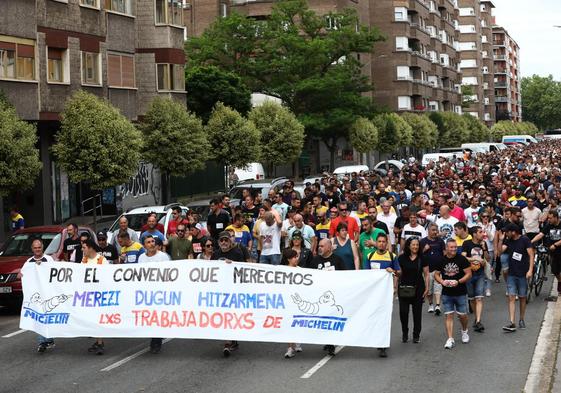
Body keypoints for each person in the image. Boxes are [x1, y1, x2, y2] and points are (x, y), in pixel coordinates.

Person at [308, 239, 347, 356]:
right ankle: (327, 341)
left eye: (322, 246)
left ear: (329, 247)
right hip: (320, 297)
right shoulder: (315, 261)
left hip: (333, 296)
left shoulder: (338, 260)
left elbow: (345, 276)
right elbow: (309, 276)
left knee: (331, 319)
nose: (319, 248)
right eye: (319, 246)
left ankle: (331, 345)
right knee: (323, 320)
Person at [212, 231, 247, 357]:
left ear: (230, 241)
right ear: (219, 242)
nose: (224, 242)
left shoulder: (237, 253)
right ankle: (227, 342)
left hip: (233, 289)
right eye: (222, 240)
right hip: (220, 290)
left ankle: (233, 340)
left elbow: (243, 270)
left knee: (232, 315)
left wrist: (232, 265)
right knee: (223, 315)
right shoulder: (215, 254)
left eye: (226, 240)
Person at [366, 233, 400, 357]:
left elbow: (399, 273)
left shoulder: (392, 256)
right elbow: (366, 275)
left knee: (384, 318)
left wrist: (394, 272)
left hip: (387, 293)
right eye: (379, 241)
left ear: (386, 243)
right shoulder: (370, 256)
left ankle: (383, 345)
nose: (381, 243)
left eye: (383, 241)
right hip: (373, 294)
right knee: (375, 317)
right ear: (376, 242)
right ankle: (377, 339)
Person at [434, 239, 472, 349]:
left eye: (455, 247)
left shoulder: (462, 259)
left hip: (460, 292)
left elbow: (469, 274)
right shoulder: (441, 260)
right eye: (451, 247)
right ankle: (450, 338)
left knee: (462, 316)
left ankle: (464, 331)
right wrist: (442, 282)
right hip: (447, 293)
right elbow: (436, 274)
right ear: (446, 248)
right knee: (449, 315)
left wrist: (458, 281)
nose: (454, 249)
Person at [138, 235, 171, 353]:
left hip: (160, 292)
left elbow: (168, 273)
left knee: (157, 315)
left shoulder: (163, 257)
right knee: (150, 317)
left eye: (153, 241)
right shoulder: (141, 257)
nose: (151, 243)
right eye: (148, 242)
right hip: (146, 293)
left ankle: (156, 341)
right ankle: (156, 336)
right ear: (144, 245)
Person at [500, 223, 534, 332]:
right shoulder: (508, 240)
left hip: (523, 274)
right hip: (511, 273)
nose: (506, 233)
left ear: (513, 232)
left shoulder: (524, 240)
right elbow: (500, 251)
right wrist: (501, 240)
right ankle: (512, 322)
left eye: (507, 232)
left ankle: (521, 319)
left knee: (523, 297)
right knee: (511, 297)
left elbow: (531, 255)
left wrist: (530, 270)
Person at [26, 239, 56, 353]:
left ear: (42, 248)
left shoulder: (48, 259)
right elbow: (21, 274)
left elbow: (55, 273)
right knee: (38, 318)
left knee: (47, 317)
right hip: (36, 296)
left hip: (48, 294)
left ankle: (49, 339)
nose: (37, 250)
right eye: (35, 248)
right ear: (32, 249)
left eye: (39, 247)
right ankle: (42, 342)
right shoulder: (29, 262)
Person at [398, 237, 429, 344]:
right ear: (408, 246)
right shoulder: (401, 258)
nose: (415, 247)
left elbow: (426, 274)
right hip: (404, 289)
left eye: (417, 245)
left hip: (418, 288)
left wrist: (427, 288)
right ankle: (405, 333)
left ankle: (416, 335)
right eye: (413, 244)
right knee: (403, 312)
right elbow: (399, 273)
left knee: (417, 314)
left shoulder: (422, 258)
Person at [81, 238, 108, 355]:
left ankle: (100, 342)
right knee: (92, 319)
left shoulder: (102, 260)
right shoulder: (84, 260)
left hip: (99, 295)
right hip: (88, 295)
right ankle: (98, 341)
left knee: (99, 319)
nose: (82, 250)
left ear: (90, 248)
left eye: (84, 247)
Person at [461, 226, 489, 332]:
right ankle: (477, 318)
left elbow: (488, 258)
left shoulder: (483, 244)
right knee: (472, 298)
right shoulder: (467, 244)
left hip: (480, 274)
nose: (482, 234)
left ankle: (478, 321)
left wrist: (484, 249)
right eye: (480, 232)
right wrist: (474, 258)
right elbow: (463, 257)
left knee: (479, 298)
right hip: (469, 274)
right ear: (474, 234)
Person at [531, 210, 561, 297]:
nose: (549, 220)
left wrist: (555, 244)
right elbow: (541, 234)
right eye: (548, 218)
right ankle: (560, 281)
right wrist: (531, 241)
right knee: (555, 270)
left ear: (556, 217)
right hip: (553, 251)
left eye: (551, 218)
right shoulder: (549, 226)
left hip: (558, 248)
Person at [283, 248, 303, 358]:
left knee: (297, 322)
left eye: (297, 256)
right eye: (294, 257)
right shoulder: (282, 270)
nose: (297, 259)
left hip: (297, 302)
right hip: (287, 302)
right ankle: (290, 347)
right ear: (288, 259)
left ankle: (297, 342)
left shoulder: (301, 270)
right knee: (288, 324)